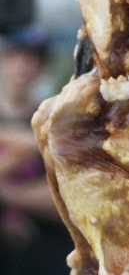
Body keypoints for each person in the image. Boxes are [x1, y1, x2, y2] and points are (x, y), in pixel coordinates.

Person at [1, 27, 73, 274]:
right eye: (18, 57)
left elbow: (63, 200)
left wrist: (6, 193)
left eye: (32, 60)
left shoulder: (54, 122)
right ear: (5, 61)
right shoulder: (46, 132)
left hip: (44, 256)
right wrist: (31, 145)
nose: (23, 67)